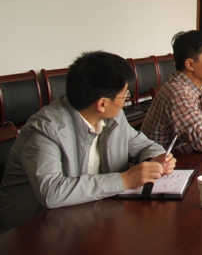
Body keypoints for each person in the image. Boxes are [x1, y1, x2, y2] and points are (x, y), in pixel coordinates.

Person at [0, 51, 176, 234]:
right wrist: (124, 180)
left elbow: (143, 144)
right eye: (125, 95)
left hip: (88, 217)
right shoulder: (45, 130)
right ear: (102, 104)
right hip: (31, 230)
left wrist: (156, 158)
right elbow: (52, 192)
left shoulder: (113, 117)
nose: (126, 99)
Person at [141, 31, 202, 155]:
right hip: (166, 163)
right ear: (190, 64)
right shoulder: (178, 93)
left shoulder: (194, 87)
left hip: (186, 157)